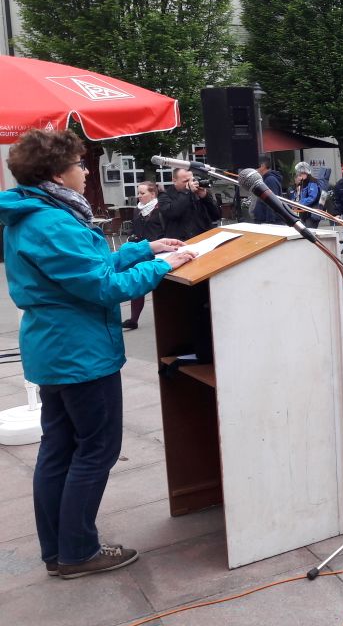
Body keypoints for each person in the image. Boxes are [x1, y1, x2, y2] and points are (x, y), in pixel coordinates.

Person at [0, 129, 194, 579]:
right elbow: (102, 286)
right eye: (79, 164)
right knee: (95, 450)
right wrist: (161, 266)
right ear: (56, 173)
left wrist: (145, 248)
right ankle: (78, 552)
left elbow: (90, 267)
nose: (86, 171)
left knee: (60, 448)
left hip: (58, 347)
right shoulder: (51, 221)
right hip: (78, 351)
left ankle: (59, 549)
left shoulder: (40, 212)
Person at [122, 181, 166, 330]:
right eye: (138, 193)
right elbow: (135, 228)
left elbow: (166, 228)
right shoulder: (137, 210)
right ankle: (134, 320)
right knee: (138, 283)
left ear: (152, 194)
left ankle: (167, 319)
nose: (139, 196)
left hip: (159, 250)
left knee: (161, 287)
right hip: (141, 250)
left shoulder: (161, 209)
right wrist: (131, 237)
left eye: (142, 193)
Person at [158, 166, 220, 241]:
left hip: (204, 238)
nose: (190, 183)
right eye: (185, 181)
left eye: (191, 180)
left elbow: (216, 215)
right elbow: (172, 212)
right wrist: (187, 192)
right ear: (174, 181)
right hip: (181, 242)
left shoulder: (198, 192)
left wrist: (205, 196)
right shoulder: (165, 195)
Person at [252, 155, 284, 224]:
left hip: (267, 221)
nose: (254, 169)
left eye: (256, 166)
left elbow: (272, 202)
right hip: (263, 219)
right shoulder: (266, 179)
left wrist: (270, 222)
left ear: (263, 166)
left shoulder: (270, 180)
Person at [291, 162, 322, 230]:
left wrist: (299, 203)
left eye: (301, 173)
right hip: (304, 213)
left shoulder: (312, 182)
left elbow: (312, 197)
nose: (300, 175)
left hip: (311, 214)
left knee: (310, 232)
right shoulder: (303, 182)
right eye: (299, 173)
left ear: (306, 172)